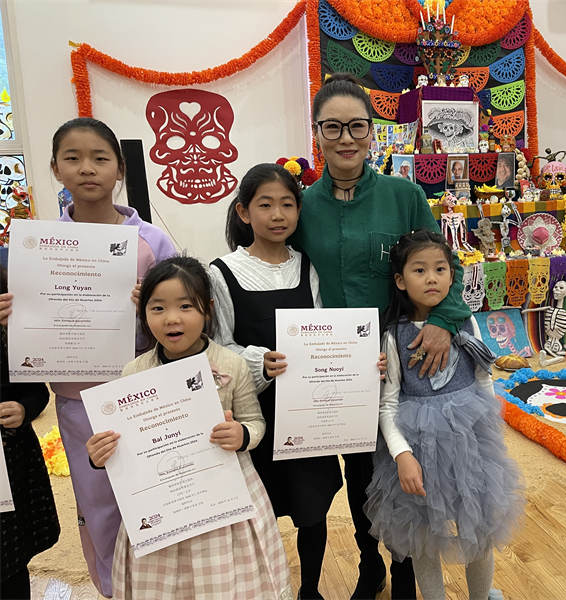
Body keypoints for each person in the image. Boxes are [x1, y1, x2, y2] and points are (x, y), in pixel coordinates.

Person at [291, 72, 472, 600]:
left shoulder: (404, 195)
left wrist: (442, 321)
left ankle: (406, 571)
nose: (345, 138)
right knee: (358, 473)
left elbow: (449, 267)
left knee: (403, 466)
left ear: (372, 132)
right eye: (332, 127)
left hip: (404, 362)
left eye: (357, 126)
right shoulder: (303, 206)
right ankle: (370, 564)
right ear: (317, 133)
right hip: (335, 367)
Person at [0, 118, 177, 598]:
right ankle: (113, 587)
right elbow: (29, 331)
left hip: (144, 393)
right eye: (73, 158)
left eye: (100, 158)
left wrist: (154, 307)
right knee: (98, 504)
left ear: (120, 168)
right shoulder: (36, 248)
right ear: (55, 168)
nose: (87, 168)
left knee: (157, 497)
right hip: (78, 401)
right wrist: (12, 319)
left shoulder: (152, 242)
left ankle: (163, 586)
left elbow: (185, 316)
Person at [86, 256, 292, 600]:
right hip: (160, 502)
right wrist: (100, 454)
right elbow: (122, 446)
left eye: (185, 306)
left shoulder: (231, 364)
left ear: (207, 310)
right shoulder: (134, 372)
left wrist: (242, 435)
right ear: (143, 313)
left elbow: (255, 423)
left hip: (223, 496)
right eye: (158, 308)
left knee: (228, 582)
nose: (172, 319)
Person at [365, 230, 524, 600]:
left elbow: (484, 379)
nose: (431, 278)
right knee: (424, 535)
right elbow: (388, 404)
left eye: (440, 269)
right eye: (419, 270)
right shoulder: (394, 336)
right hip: (419, 449)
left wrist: (491, 434)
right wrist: (402, 456)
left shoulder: (465, 324)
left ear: (452, 276)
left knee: (479, 528)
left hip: (471, 444)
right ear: (401, 281)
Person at [209, 163, 343, 600]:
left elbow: (325, 332)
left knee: (312, 507)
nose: (278, 215)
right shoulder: (221, 272)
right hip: (253, 412)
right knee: (253, 509)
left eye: (287, 204)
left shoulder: (309, 267)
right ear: (243, 212)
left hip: (306, 410)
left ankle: (310, 590)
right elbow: (219, 344)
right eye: (265, 205)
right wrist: (258, 363)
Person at [0, 266, 60, 600]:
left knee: (11, 563)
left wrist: (23, 409)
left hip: (10, 461)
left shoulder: (10, 326)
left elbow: (37, 391)